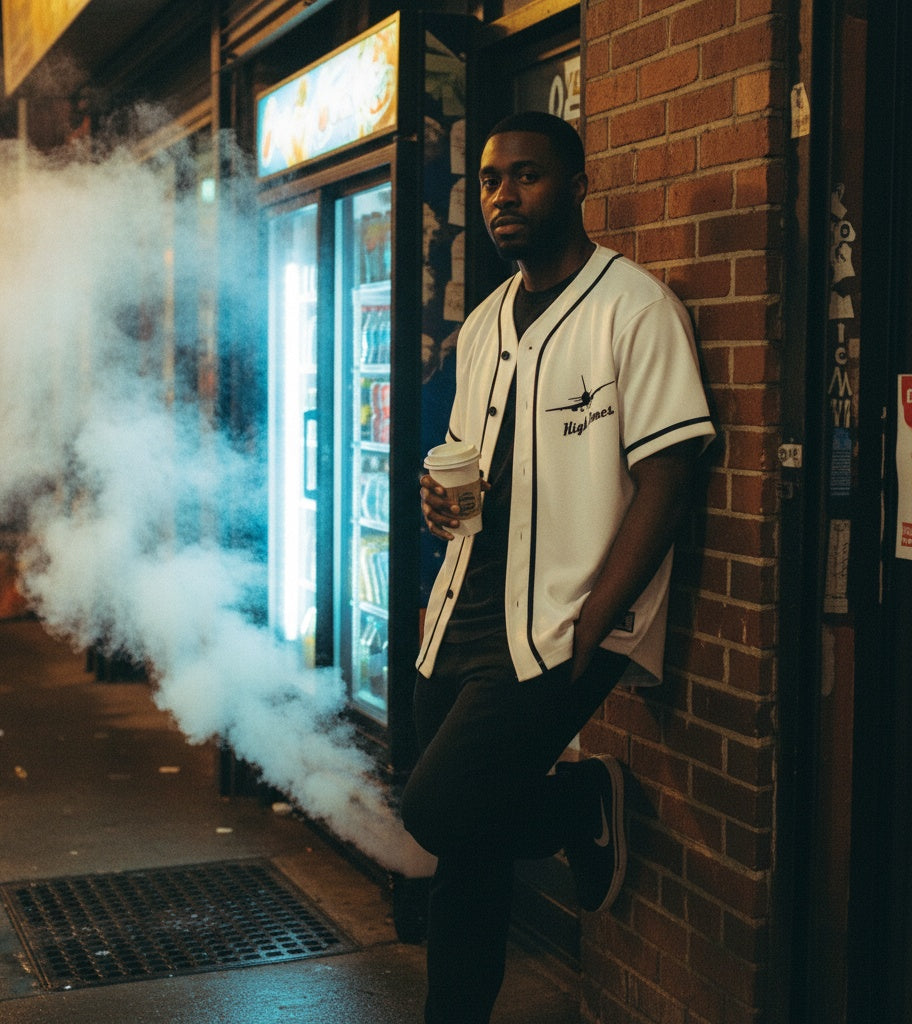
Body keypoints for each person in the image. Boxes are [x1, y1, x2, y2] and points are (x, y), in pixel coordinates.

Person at [400, 111, 715, 1024]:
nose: (505, 196)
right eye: (492, 180)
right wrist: (440, 513)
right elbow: (469, 461)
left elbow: (668, 476)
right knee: (467, 847)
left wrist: (597, 620)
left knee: (440, 810)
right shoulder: (487, 321)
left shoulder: (634, 308)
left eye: (528, 177)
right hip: (463, 612)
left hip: (560, 623)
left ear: (578, 186)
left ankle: (579, 804)